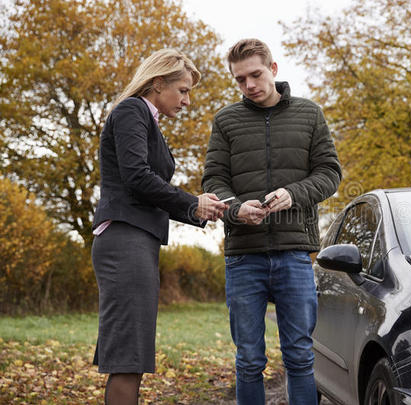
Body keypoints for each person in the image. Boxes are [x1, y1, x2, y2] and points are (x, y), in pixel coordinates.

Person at [202, 38, 342, 405]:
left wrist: (294, 193)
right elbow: (214, 180)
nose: (249, 85)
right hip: (243, 255)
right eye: (240, 79)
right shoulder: (226, 120)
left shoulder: (309, 114)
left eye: (256, 74)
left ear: (273, 69)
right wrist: (235, 208)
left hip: (294, 253)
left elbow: (329, 173)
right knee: (248, 360)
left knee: (299, 356)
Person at [91, 48, 228, 405]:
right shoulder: (132, 110)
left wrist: (199, 210)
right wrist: (191, 202)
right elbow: (137, 177)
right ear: (156, 83)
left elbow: (148, 188)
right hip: (124, 240)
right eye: (182, 90)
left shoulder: (146, 120)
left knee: (132, 354)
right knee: (127, 355)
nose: (187, 100)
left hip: (137, 240)